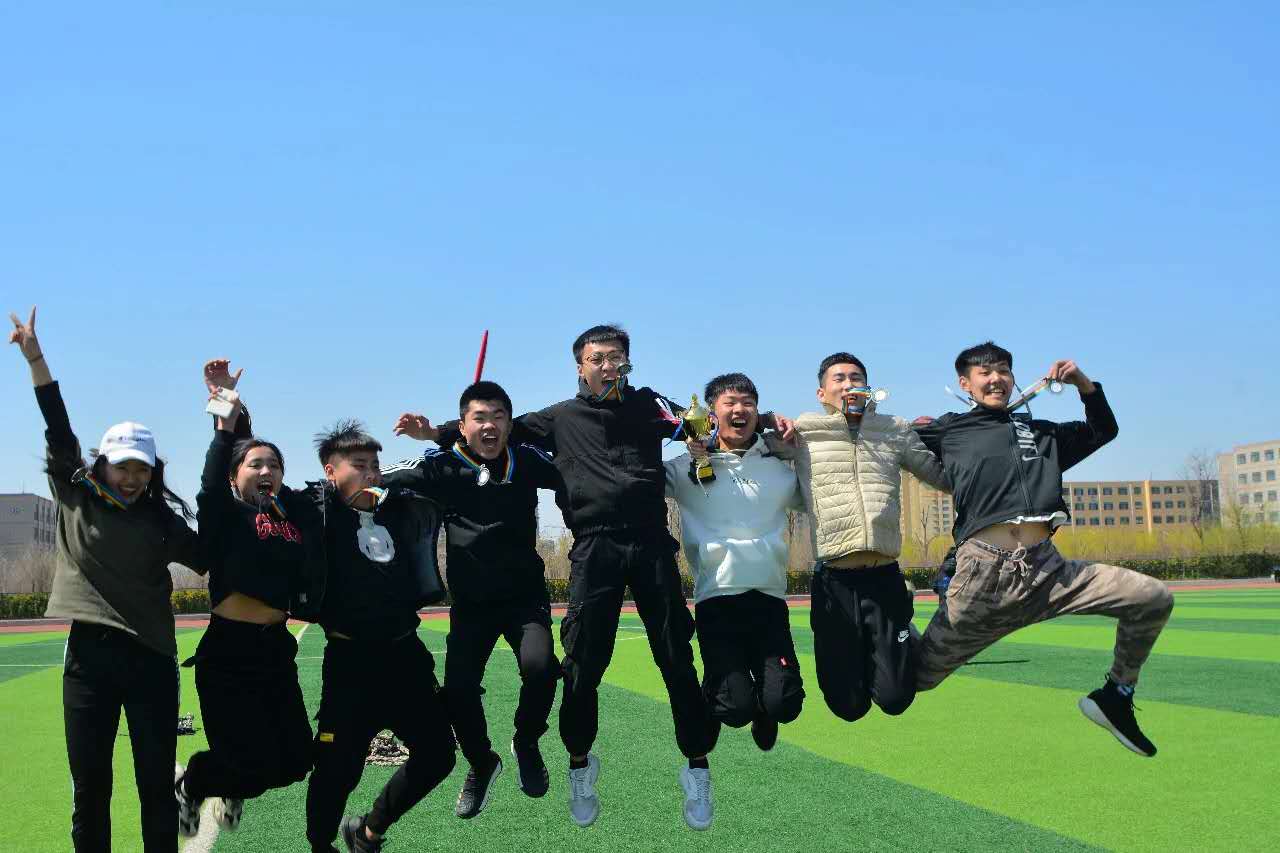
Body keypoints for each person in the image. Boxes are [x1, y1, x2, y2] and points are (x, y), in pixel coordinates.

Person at [399, 325, 793, 830]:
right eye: (597, 359)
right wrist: (435, 433)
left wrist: (767, 421)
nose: (608, 366)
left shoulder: (651, 405)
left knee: (675, 658)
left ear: (628, 361)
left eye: (616, 357)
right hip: (594, 549)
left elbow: (706, 424)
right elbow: (493, 430)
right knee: (583, 666)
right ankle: (580, 766)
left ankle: (697, 768)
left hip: (652, 546)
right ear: (580, 367)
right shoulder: (559, 417)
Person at [912, 341, 1173, 757]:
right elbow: (882, 441)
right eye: (985, 372)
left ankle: (1116, 697)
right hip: (983, 580)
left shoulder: (1042, 432)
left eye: (1003, 371)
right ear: (965, 384)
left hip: (1049, 573)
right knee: (915, 681)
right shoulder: (948, 429)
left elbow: (1103, 430)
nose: (996, 379)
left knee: (1153, 597)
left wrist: (1084, 385)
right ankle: (896, 620)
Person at [9, 306, 200, 852]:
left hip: (152, 660)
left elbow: (214, 555)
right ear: (103, 465)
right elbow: (57, 424)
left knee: (154, 788)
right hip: (89, 661)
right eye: (123, 467)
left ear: (152, 471)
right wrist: (36, 359)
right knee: (91, 789)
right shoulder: (76, 497)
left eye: (142, 469)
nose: (132, 478)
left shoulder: (162, 520)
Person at [385, 380, 562, 819]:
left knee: (541, 669)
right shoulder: (442, 466)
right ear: (461, 426)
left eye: (499, 417)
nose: (490, 426)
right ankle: (482, 762)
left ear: (510, 424)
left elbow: (575, 473)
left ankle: (526, 741)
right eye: (479, 418)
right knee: (458, 692)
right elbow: (377, 477)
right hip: (471, 607)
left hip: (524, 600)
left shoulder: (526, 460)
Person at [172, 360, 323, 837]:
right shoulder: (225, 514)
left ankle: (223, 777)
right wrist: (225, 405)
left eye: (274, 465)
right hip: (229, 653)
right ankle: (194, 782)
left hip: (275, 650)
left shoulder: (292, 513)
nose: (266, 470)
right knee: (249, 769)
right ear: (234, 475)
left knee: (295, 763)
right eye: (255, 465)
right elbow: (219, 467)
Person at [767, 353, 949, 723]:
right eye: (839, 378)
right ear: (821, 393)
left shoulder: (894, 429)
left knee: (895, 699)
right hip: (834, 581)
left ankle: (901, 627)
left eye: (856, 377)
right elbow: (752, 441)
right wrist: (770, 419)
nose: (849, 384)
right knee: (847, 706)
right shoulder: (804, 431)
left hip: (884, 576)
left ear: (868, 388)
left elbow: (938, 475)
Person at [302, 421, 456, 853]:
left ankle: (368, 831)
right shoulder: (318, 514)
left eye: (375, 464)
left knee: (438, 756)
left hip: (406, 656)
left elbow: (441, 469)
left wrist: (436, 435)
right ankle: (320, 845)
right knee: (338, 768)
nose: (371, 473)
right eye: (359, 465)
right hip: (350, 663)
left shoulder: (399, 508)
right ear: (331, 472)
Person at [664, 372, 805, 753]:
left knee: (786, 703)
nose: (740, 410)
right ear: (711, 414)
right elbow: (636, 479)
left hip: (769, 599)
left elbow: (819, 494)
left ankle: (766, 709)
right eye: (730, 403)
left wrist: (788, 437)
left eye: (748, 403)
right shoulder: (685, 468)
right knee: (734, 707)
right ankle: (725, 700)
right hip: (717, 600)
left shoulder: (778, 468)